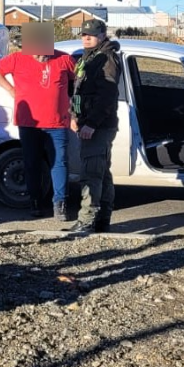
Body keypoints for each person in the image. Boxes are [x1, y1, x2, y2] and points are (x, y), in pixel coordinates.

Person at [0, 23, 76, 221]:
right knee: (32, 163)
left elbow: (80, 82)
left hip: (57, 122)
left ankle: (60, 203)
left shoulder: (65, 59)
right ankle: (36, 202)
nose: (41, 57)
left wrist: (75, 110)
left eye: (45, 53)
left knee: (60, 162)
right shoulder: (16, 59)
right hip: (28, 122)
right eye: (37, 53)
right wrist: (11, 90)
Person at [67, 18, 122, 235]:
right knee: (102, 173)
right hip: (85, 123)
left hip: (98, 126)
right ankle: (102, 221)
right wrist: (74, 116)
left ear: (101, 36)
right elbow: (78, 92)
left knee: (91, 174)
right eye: (83, 34)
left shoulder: (106, 59)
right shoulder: (86, 59)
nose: (86, 37)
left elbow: (107, 96)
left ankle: (86, 221)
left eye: (91, 34)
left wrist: (91, 123)